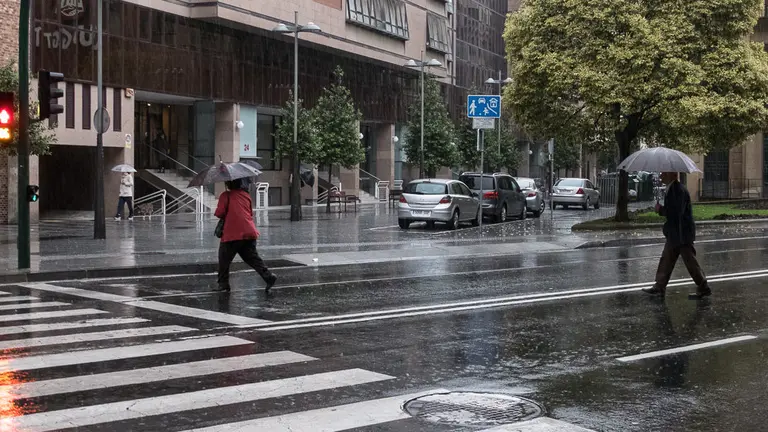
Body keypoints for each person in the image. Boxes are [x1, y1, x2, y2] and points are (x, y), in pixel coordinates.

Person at [643, 172, 711, 299]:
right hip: (676, 233)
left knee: (690, 261)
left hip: (682, 234)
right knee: (666, 259)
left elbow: (676, 212)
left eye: (664, 173)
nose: (661, 176)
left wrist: (660, 210)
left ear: (672, 175)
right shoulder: (673, 189)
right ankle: (659, 287)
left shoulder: (678, 190)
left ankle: (703, 287)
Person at [215, 179, 277, 293]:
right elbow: (249, 212)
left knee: (224, 259)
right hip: (249, 231)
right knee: (252, 258)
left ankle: (223, 284)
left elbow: (219, 213)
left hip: (232, 233)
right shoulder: (246, 195)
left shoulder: (225, 195)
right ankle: (268, 276)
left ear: (228, 184)